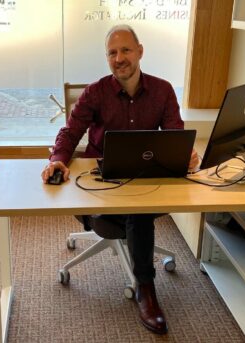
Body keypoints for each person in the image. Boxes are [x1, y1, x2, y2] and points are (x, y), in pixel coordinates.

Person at [41, 24, 199, 335]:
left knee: (138, 207)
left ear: (140, 52)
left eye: (126, 50)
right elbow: (70, 133)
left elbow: (174, 136)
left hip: (147, 182)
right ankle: (146, 289)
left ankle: (145, 286)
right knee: (138, 212)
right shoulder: (96, 92)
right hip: (101, 186)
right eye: (112, 53)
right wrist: (57, 160)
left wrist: (185, 154)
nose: (119, 58)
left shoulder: (163, 91)